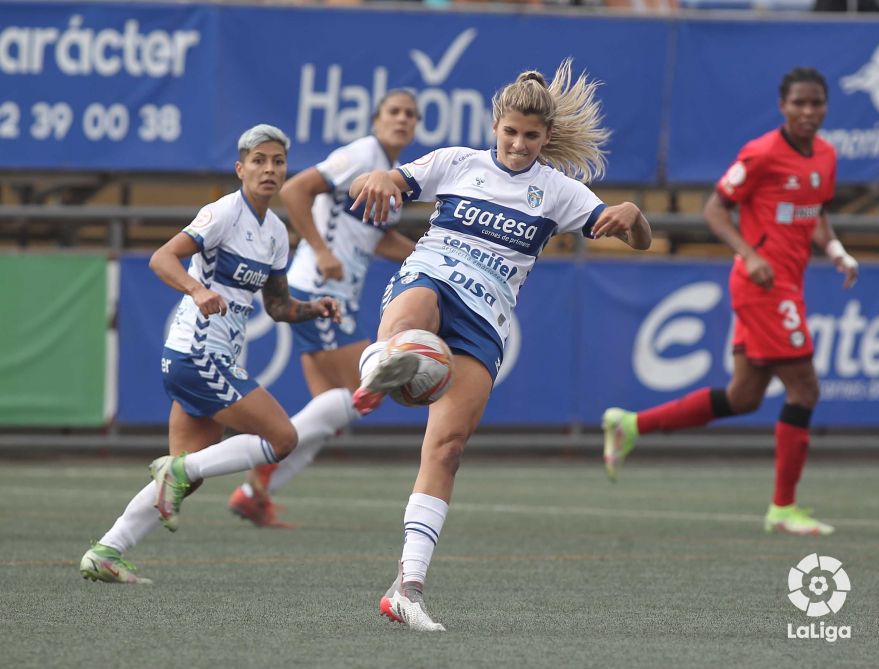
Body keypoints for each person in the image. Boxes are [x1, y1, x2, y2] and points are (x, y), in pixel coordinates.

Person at [348, 59, 652, 631]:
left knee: (448, 449)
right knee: (413, 317)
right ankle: (379, 366)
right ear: (495, 125)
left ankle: (407, 587)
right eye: (510, 132)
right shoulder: (456, 163)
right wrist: (384, 179)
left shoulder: (559, 192)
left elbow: (638, 240)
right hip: (433, 275)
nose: (518, 144)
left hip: (485, 320)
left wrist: (633, 216)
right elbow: (400, 180)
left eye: (531, 136)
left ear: (547, 137)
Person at [602, 67, 859, 537]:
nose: (807, 111)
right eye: (798, 103)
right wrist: (749, 253)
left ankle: (630, 426)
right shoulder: (761, 153)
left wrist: (837, 251)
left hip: (788, 284)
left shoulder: (826, 155)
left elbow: (816, 212)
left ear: (825, 107)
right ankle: (784, 508)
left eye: (816, 103)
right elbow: (715, 208)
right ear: (783, 106)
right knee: (805, 389)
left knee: (744, 397)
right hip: (763, 285)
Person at [79, 124, 341, 584]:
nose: (269, 169)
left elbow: (277, 307)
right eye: (259, 160)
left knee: (188, 476)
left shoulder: (276, 233)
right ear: (240, 169)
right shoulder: (222, 212)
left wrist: (312, 308)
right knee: (282, 439)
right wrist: (196, 289)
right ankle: (174, 471)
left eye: (277, 161)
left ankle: (107, 550)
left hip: (213, 358)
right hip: (197, 353)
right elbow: (163, 257)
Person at [226, 91, 420, 527]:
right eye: (394, 111)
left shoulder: (389, 174)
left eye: (410, 114)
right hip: (318, 288)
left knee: (333, 410)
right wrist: (319, 248)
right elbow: (296, 190)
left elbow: (380, 238)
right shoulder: (361, 154)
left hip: (337, 295)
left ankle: (256, 494)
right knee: (363, 391)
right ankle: (260, 465)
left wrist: (425, 255)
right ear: (376, 119)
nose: (402, 119)